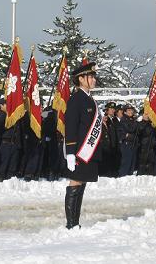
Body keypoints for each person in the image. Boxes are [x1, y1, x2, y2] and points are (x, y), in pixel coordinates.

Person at [64, 61, 102, 229]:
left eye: (94, 77)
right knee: (75, 183)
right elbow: (71, 126)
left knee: (82, 184)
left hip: (88, 150)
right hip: (79, 150)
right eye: (91, 77)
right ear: (81, 79)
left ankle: (75, 222)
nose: (94, 80)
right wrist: (70, 152)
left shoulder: (89, 99)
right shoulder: (76, 99)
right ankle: (71, 224)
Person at [117, 104, 139, 177]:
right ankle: (122, 176)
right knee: (126, 162)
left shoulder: (133, 120)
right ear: (125, 112)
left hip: (133, 143)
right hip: (126, 144)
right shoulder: (123, 120)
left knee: (132, 162)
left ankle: (129, 176)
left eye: (131, 110)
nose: (130, 112)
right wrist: (128, 135)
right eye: (128, 110)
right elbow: (129, 130)